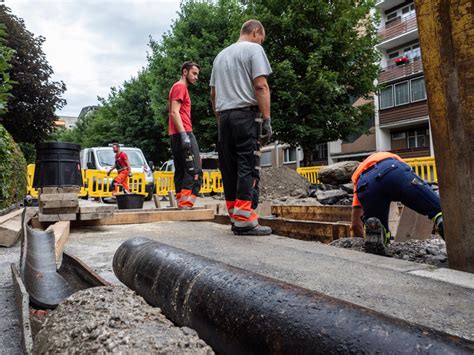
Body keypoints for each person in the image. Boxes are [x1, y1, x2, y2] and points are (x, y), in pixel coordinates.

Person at [210, 19, 273, 236]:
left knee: (229, 167)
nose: (261, 43)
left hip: (224, 117)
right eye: (261, 39)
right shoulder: (254, 50)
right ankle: (245, 220)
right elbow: (260, 85)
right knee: (248, 165)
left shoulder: (220, 56)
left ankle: (235, 216)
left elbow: (213, 94)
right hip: (245, 115)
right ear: (256, 32)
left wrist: (220, 119)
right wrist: (266, 119)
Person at [351, 151, 444, 255]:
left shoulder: (357, 179)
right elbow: (411, 181)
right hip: (393, 170)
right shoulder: (385, 155)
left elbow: (355, 224)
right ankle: (444, 223)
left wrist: (359, 245)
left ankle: (379, 239)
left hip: (365, 184)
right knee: (439, 210)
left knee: (377, 228)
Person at [168, 61, 203, 209]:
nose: (196, 77)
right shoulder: (180, 87)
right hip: (183, 132)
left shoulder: (177, 87)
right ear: (185, 72)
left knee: (181, 170)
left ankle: (181, 202)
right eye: (194, 73)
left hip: (176, 134)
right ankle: (186, 203)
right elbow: (174, 111)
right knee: (194, 170)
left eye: (197, 75)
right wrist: (184, 135)